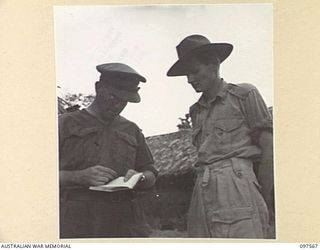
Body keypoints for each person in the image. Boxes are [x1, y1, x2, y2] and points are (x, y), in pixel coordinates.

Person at [167, 35, 274, 238]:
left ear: (214, 64)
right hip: (202, 186)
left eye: (195, 71)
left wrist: (263, 197)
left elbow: (269, 149)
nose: (190, 79)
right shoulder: (195, 110)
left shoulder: (244, 95)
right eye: (186, 74)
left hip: (236, 185)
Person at [59, 63, 157, 238]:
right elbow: (36, 177)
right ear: (98, 88)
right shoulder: (64, 124)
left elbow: (151, 172)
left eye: (125, 101)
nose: (118, 105)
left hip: (126, 221)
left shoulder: (131, 129)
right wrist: (78, 177)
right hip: (77, 220)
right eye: (113, 97)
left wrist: (139, 177)